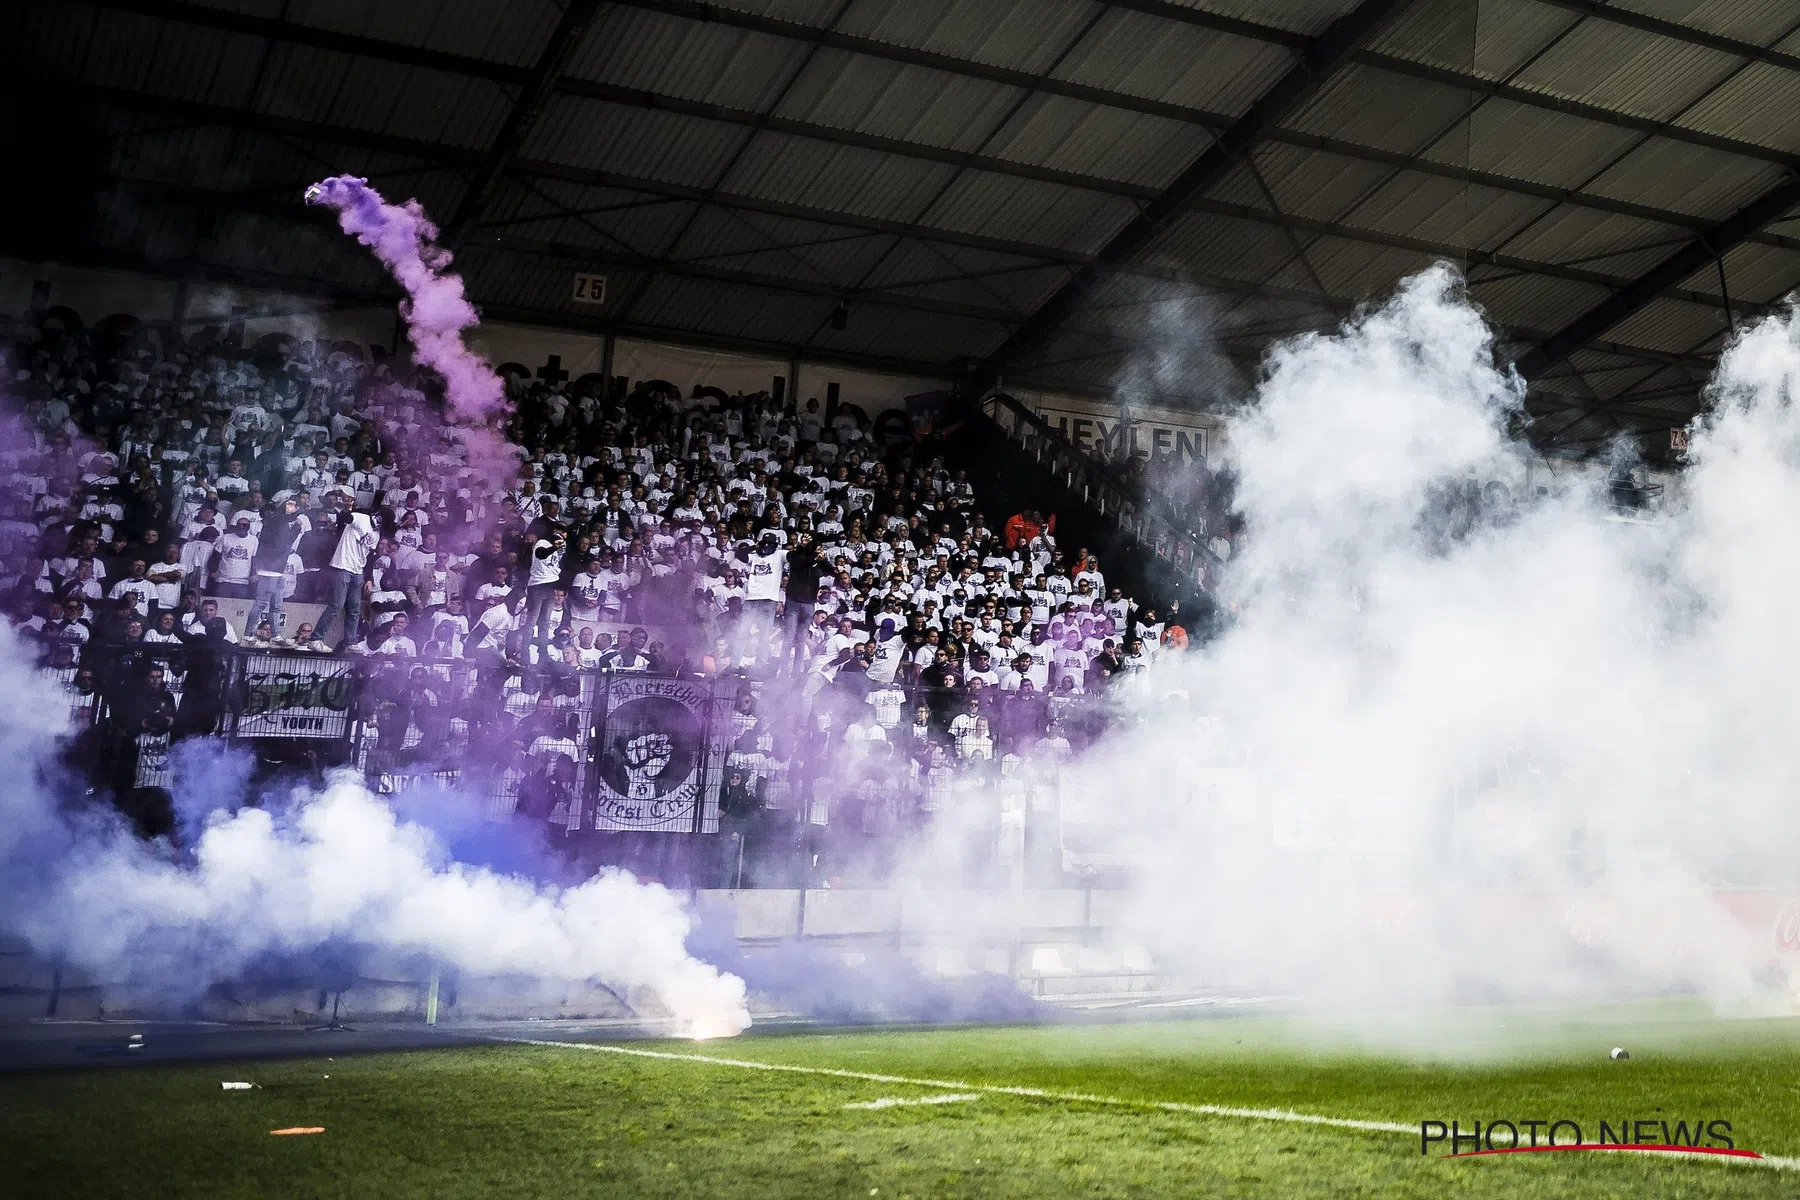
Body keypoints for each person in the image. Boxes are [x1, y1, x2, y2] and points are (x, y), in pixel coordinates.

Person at [312, 505, 378, 649]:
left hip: (358, 570)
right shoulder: (362, 518)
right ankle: (316, 638)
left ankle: (351, 640)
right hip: (342, 566)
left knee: (355, 608)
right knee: (336, 605)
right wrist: (345, 509)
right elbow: (346, 518)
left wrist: (369, 578)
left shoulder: (376, 534)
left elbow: (370, 557)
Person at [245, 494, 301, 637]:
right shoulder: (276, 519)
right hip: (269, 569)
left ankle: (276, 635)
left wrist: (295, 529)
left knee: (276, 606)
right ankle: (248, 634)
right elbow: (282, 544)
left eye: (294, 505)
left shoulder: (281, 522)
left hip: (278, 569)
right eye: (290, 504)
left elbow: (285, 545)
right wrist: (296, 528)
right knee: (261, 604)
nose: (293, 508)